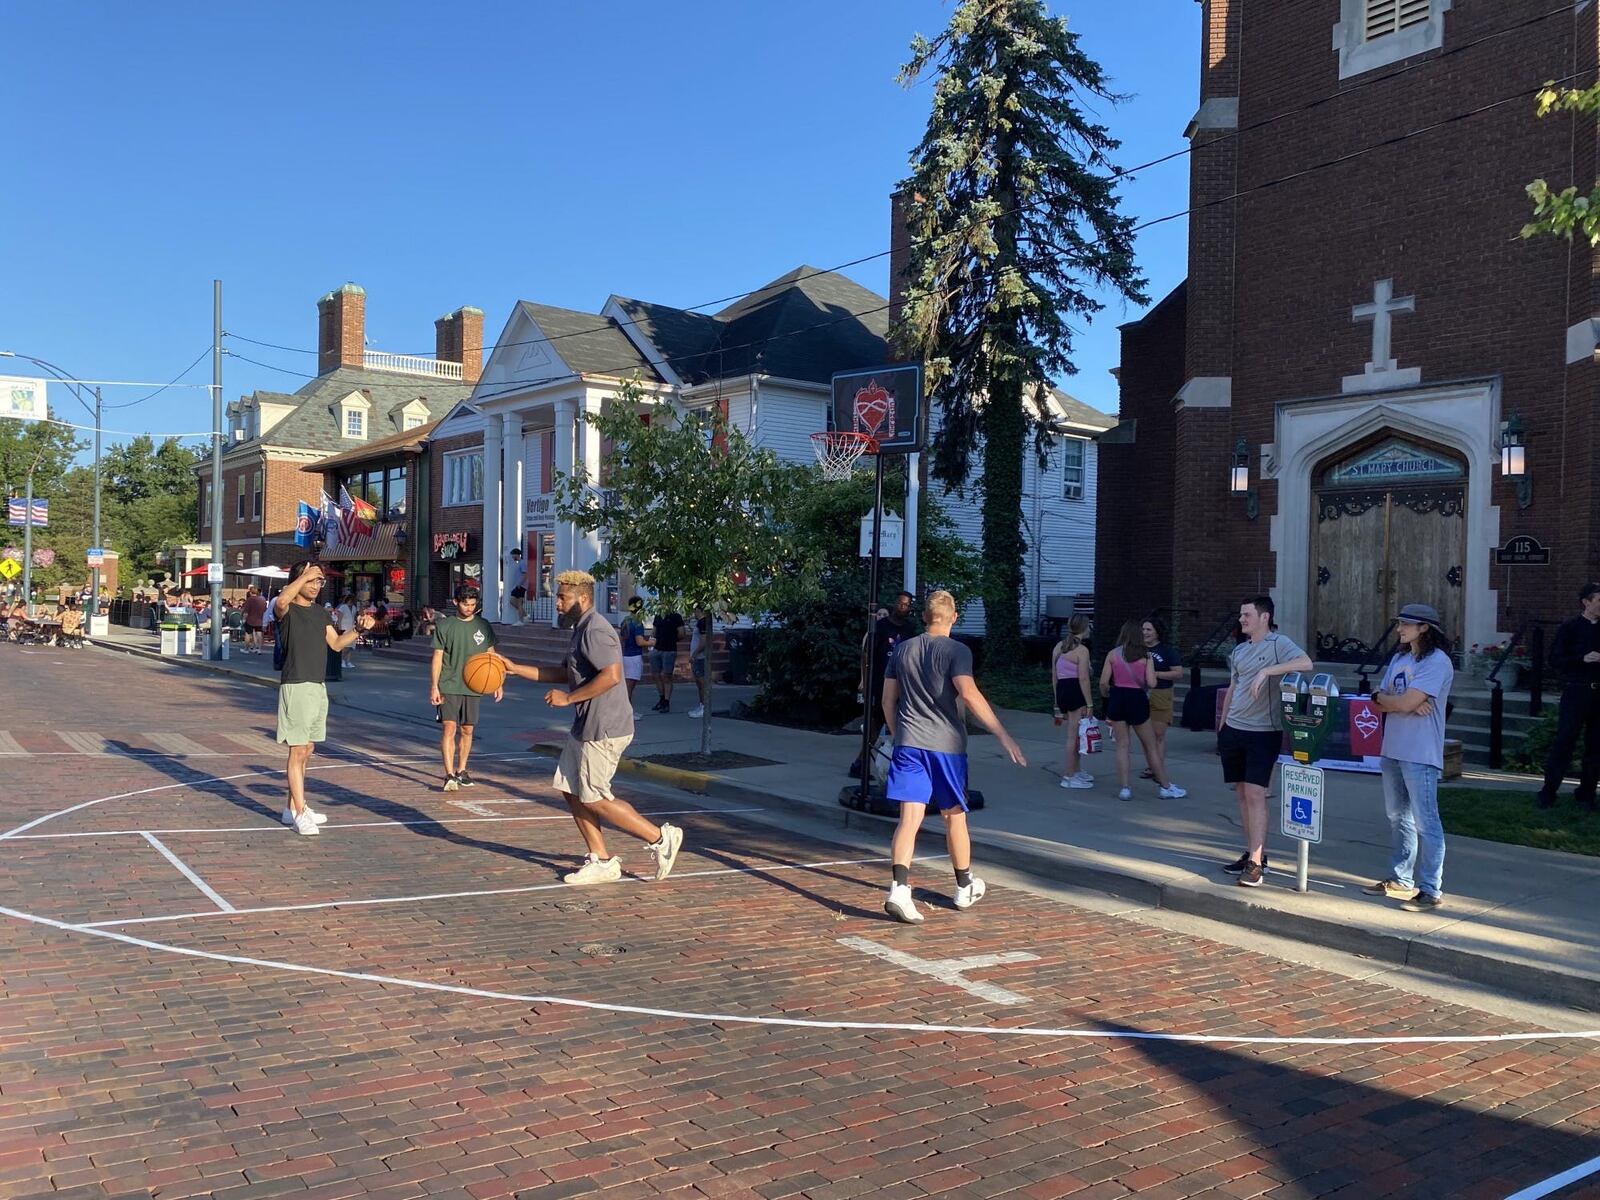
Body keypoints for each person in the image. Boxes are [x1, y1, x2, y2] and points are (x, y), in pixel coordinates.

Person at [495, 570, 683, 885]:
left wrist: (568, 699)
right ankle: (602, 861)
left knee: (593, 796)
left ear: (582, 599)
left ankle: (661, 838)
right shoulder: (580, 629)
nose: (556, 603)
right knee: (571, 789)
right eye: (557, 596)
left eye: (562, 597)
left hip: (605, 726)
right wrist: (515, 668)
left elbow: (611, 675)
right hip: (586, 725)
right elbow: (563, 673)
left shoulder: (596, 631)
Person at [881, 590, 1027, 923]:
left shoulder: (902, 650)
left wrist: (897, 733)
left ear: (923, 616)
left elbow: (887, 701)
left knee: (910, 818)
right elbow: (969, 693)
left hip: (908, 743)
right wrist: (1003, 735)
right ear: (954, 617)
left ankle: (900, 889)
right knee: (953, 816)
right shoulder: (957, 650)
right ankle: (964, 885)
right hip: (945, 745)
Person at [1362, 603, 1455, 913]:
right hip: (1393, 748)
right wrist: (1397, 702)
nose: (1400, 628)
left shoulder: (1437, 662)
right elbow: (1379, 699)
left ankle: (1430, 888)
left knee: (1427, 820)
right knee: (1398, 816)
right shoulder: (1400, 658)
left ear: (1424, 628)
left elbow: (1405, 701)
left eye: (1406, 624)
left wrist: (1402, 703)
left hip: (1420, 752)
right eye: (1400, 623)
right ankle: (1401, 879)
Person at [1218, 595, 1314, 887]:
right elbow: (1233, 687)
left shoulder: (1279, 644)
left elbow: (1306, 663)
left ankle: (1256, 865)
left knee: (1257, 794)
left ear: (1264, 617)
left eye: (1247, 614)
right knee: (1242, 794)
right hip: (1234, 728)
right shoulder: (1240, 651)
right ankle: (1253, 852)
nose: (1241, 619)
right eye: (1240, 614)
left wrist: (1267, 670)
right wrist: (1222, 727)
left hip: (1263, 732)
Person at [274, 562, 368, 835]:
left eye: (319, 582)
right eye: (312, 580)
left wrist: (359, 630)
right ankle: (300, 813)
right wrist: (303, 575)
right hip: (296, 683)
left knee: (308, 748)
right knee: (297, 749)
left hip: (317, 685)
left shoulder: (320, 613)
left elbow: (336, 643)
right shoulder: (287, 609)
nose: (316, 586)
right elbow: (281, 600)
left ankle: (291, 808)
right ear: (299, 580)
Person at [1099, 620, 1187, 803]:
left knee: (1122, 746)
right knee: (1151, 745)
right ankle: (1165, 787)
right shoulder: (1146, 656)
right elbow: (1152, 683)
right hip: (1137, 699)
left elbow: (1103, 682)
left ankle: (1125, 788)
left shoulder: (1112, 654)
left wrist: (1108, 694)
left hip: (1117, 698)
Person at [430, 584, 501, 791]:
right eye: (465, 604)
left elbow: (491, 655)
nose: (469, 608)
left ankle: (462, 770)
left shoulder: (484, 626)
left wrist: (498, 681)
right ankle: (449, 774)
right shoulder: (445, 626)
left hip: (474, 684)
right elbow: (437, 657)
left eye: (473, 604)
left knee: (468, 729)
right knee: (449, 727)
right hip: (449, 683)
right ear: (456, 602)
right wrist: (434, 686)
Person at [1536, 582, 1600, 810]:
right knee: (1565, 740)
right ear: (1587, 602)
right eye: (1599, 600)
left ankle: (1587, 794)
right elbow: (1555, 659)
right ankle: (1548, 792)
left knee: (1596, 746)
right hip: (1577, 690)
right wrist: (1582, 658)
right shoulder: (1570, 627)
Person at [854, 591, 917, 779]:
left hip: (902, 685)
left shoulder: (910, 629)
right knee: (874, 726)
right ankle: (859, 764)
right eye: (900, 603)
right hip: (879, 684)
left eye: (906, 605)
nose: (902, 607)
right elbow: (867, 654)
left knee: (904, 727)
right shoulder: (881, 627)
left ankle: (898, 766)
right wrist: (865, 681)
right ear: (894, 604)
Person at [1051, 615, 1094, 789]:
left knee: (1076, 735)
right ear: (1084, 628)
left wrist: (1056, 701)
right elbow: (1083, 678)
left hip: (1062, 690)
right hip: (1075, 691)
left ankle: (1075, 771)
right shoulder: (1082, 650)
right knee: (1073, 736)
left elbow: (1054, 675)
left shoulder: (1059, 646)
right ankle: (1069, 776)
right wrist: (1090, 703)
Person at [1141, 619, 1184, 779]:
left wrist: (1154, 673)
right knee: (1145, 735)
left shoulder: (1167, 651)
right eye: (1143, 629)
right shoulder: (1138, 650)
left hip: (1161, 693)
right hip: (1140, 694)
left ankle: (1157, 768)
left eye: (1149, 629)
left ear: (1157, 632)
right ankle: (1150, 766)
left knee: (1158, 734)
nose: (1145, 632)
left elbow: (1178, 673)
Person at [618, 597, 653, 712]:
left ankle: (627, 711)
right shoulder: (637, 622)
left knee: (626, 686)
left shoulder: (625, 620)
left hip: (625, 655)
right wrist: (651, 642)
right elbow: (640, 641)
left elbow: (621, 639)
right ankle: (626, 713)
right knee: (629, 687)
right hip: (634, 657)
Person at [650, 609, 686, 713]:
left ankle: (666, 701)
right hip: (657, 648)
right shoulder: (658, 615)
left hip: (669, 650)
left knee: (667, 676)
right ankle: (661, 699)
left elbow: (682, 633)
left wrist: (672, 639)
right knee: (656, 674)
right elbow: (654, 631)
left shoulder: (676, 616)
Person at [687, 609, 712, 719]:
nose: (694, 613)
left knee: (701, 683)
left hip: (700, 658)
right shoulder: (700, 622)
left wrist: (694, 654)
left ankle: (704, 707)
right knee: (698, 683)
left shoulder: (703, 622)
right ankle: (702, 704)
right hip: (698, 657)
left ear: (698, 610)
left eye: (695, 611)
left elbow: (703, 642)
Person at [333, 591, 358, 669]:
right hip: (344, 627)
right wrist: (340, 628)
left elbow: (354, 617)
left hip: (352, 627)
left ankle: (348, 661)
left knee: (351, 646)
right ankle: (342, 660)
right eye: (350, 600)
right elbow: (339, 619)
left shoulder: (354, 608)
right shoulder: (343, 607)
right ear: (347, 600)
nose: (351, 602)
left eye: (352, 600)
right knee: (345, 646)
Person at [242, 585, 269, 656]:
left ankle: (246, 649)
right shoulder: (262, 599)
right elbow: (265, 610)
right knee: (259, 633)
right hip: (260, 619)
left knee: (248, 633)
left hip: (250, 619)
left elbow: (246, 612)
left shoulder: (250, 600)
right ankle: (259, 649)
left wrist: (244, 619)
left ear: (251, 592)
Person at [506, 547, 529, 624]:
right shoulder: (519, 563)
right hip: (519, 585)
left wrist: (520, 584)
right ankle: (525, 615)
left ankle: (521, 620)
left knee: (517, 602)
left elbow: (525, 574)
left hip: (521, 586)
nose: (512, 557)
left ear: (517, 555)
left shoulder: (522, 563)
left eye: (513, 555)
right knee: (514, 602)